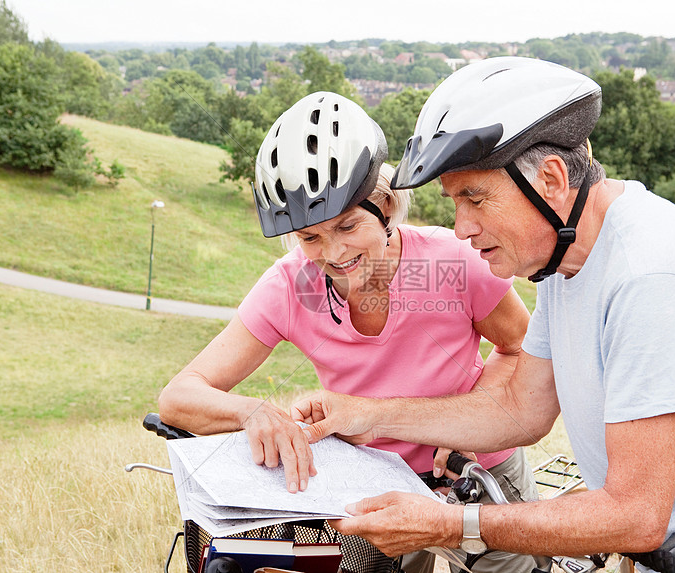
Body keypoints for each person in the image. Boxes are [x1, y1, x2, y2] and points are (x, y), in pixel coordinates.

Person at [291, 58, 675, 572]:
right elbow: (520, 408)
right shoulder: (567, 262)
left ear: (552, 180)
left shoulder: (649, 277)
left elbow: (635, 513)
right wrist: (362, 412)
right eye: (455, 203)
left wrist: (449, 524)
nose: (463, 228)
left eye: (475, 199)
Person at [158, 91, 542, 573]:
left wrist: (471, 429)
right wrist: (253, 412)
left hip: (476, 471)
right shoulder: (291, 284)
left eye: (348, 226)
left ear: (384, 205)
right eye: (310, 237)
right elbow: (179, 397)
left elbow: (520, 347)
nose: (333, 253)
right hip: (375, 486)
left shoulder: (450, 262)